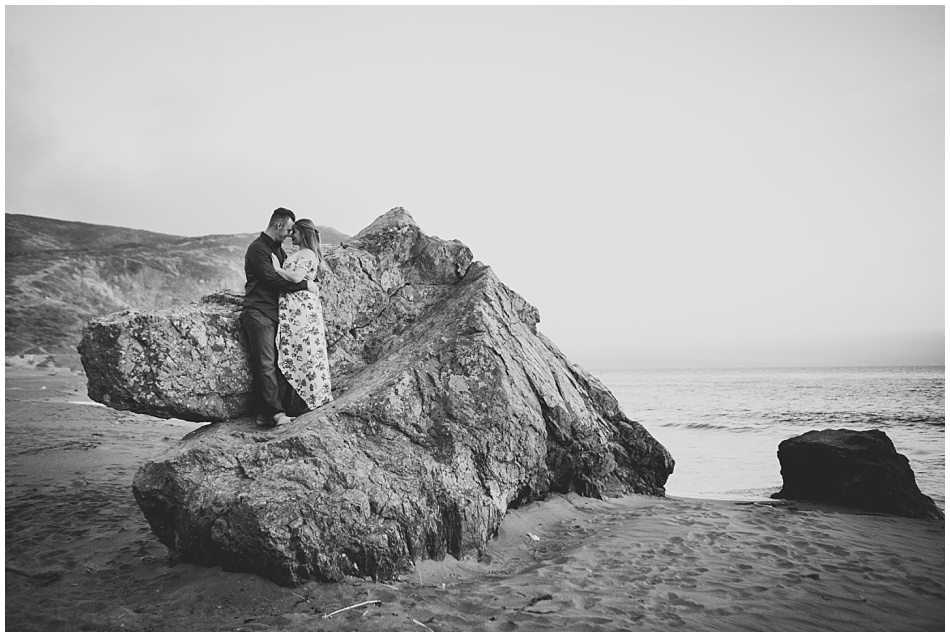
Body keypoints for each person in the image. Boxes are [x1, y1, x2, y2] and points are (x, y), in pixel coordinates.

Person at [242, 207, 317, 427]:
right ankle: (276, 414)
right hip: (259, 312)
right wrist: (306, 285)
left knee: (282, 364)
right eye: (289, 229)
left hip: (277, 314)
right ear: (279, 225)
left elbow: (287, 276)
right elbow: (271, 280)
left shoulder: (279, 251)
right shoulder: (258, 249)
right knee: (266, 364)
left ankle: (266, 414)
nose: (289, 234)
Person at [270, 218, 333, 411]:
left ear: (303, 234)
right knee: (300, 349)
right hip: (295, 306)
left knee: (303, 349)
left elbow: (297, 276)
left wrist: (277, 269)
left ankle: (304, 400)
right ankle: (301, 399)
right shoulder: (303, 253)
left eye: (294, 232)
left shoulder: (306, 253)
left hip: (300, 307)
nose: (291, 235)